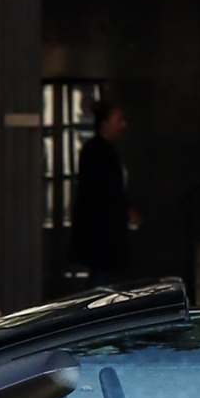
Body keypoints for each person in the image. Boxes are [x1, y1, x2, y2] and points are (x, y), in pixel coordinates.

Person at [72, 99, 135, 286]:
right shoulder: (101, 152)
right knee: (100, 277)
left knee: (100, 274)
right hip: (101, 229)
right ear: (105, 123)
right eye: (118, 120)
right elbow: (107, 189)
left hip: (99, 228)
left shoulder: (95, 150)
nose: (123, 125)